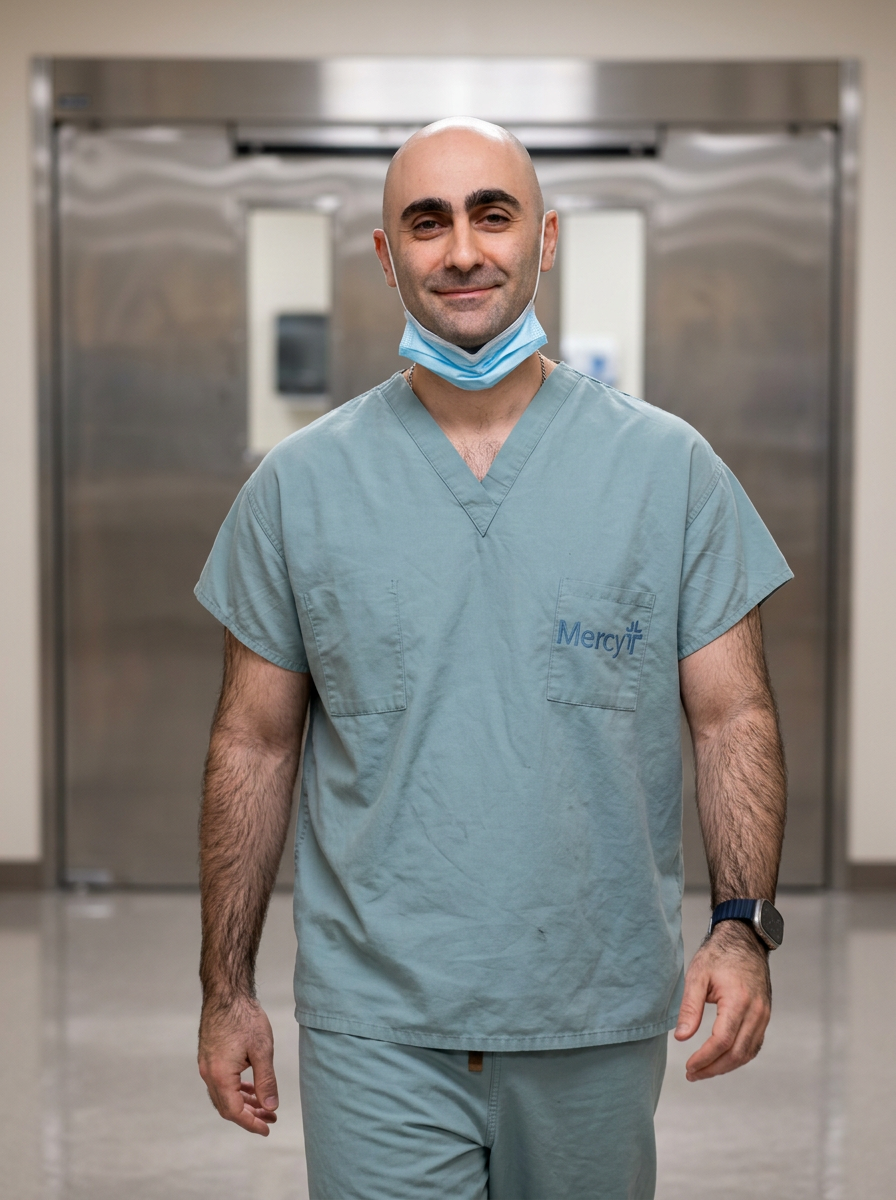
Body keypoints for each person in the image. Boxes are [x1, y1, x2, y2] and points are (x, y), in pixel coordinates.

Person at [195, 118, 790, 1199]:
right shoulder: (299, 487)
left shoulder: (668, 471)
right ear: (386, 256)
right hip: (377, 1021)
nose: (460, 249)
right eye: (426, 222)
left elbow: (730, 718)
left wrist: (738, 928)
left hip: (590, 1012)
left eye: (491, 214)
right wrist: (223, 987)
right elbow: (253, 742)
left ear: (544, 238)